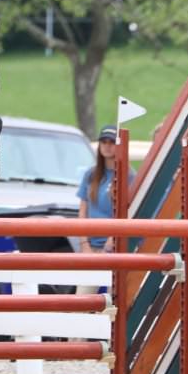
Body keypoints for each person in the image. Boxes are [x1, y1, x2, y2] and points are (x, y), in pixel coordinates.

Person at [77, 125, 136, 293]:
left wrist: (110, 242)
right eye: (104, 141)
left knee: (114, 300)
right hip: (91, 245)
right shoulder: (91, 174)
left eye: (111, 142)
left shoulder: (128, 176)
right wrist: (84, 244)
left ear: (119, 146)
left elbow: (125, 212)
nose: (107, 145)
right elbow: (82, 211)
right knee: (82, 298)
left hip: (114, 248)